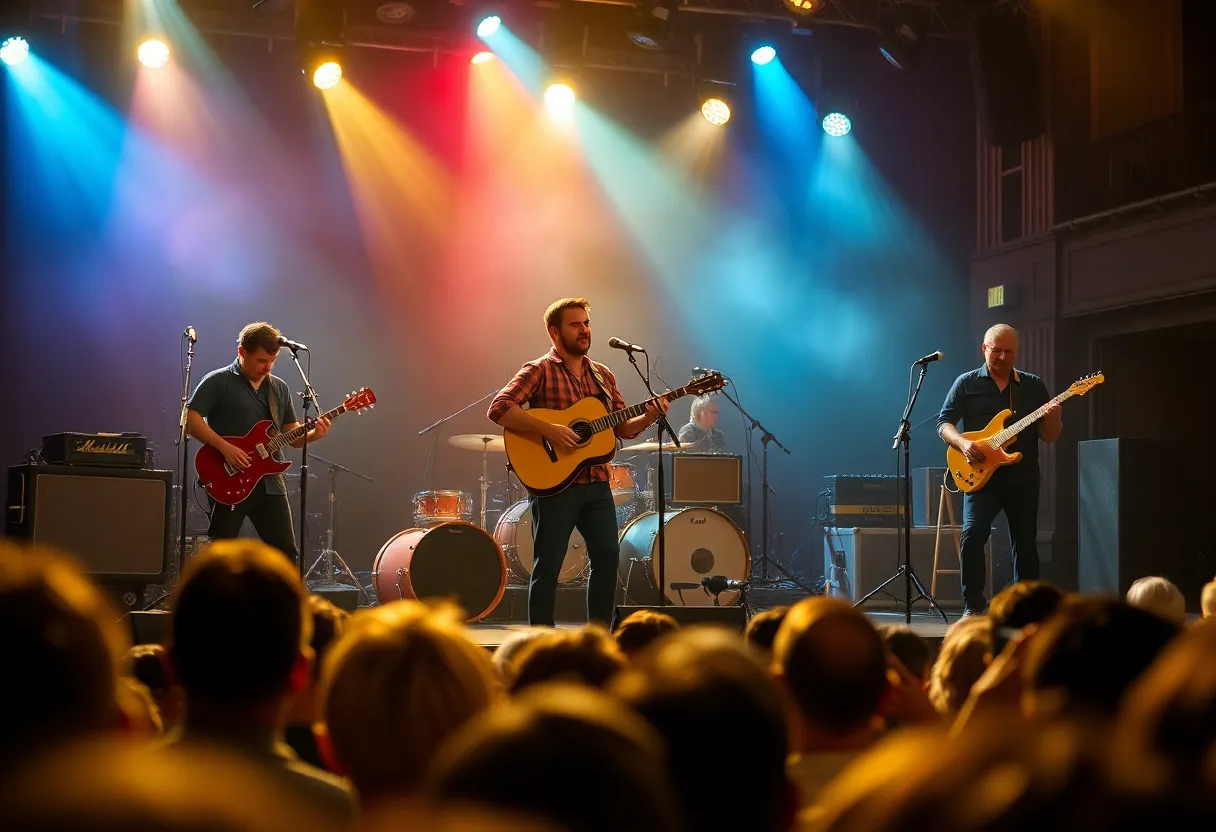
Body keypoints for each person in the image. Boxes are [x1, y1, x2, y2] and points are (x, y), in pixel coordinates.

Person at [488, 298, 668, 625]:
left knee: (607, 558)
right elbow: (499, 408)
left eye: (586, 323)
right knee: (548, 566)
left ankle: (598, 635)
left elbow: (621, 428)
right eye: (576, 324)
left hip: (597, 482)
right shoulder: (538, 370)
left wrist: (648, 417)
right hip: (555, 484)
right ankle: (540, 637)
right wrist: (550, 431)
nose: (585, 330)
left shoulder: (603, 374)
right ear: (554, 332)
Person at [937, 323, 1061, 615]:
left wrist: (1055, 417)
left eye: (1009, 352)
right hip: (979, 476)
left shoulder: (1033, 385)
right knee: (972, 535)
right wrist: (964, 445)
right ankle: (973, 607)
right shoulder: (966, 383)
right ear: (984, 349)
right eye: (997, 351)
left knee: (1025, 544)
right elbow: (944, 424)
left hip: (1023, 477)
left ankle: (1027, 610)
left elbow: (1050, 436)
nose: (1003, 357)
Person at [188, 322, 330, 563]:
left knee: (286, 554)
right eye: (262, 361)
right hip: (229, 477)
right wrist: (226, 448)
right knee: (221, 554)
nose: (268, 367)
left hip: (270, 482)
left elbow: (290, 434)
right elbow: (191, 419)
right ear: (241, 352)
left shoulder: (279, 388)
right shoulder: (218, 381)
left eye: (272, 361)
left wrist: (313, 435)